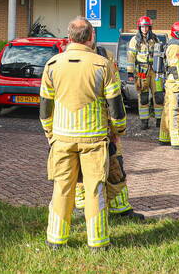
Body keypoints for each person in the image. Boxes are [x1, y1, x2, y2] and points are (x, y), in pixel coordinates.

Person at [40, 17, 127, 251]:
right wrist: (118, 131)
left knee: (62, 188)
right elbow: (116, 107)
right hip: (94, 139)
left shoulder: (52, 65)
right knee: (95, 189)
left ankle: (56, 239)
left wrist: (50, 132)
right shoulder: (102, 65)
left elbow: (45, 108)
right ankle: (97, 242)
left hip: (61, 138)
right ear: (91, 37)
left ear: (69, 38)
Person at [158, 21, 179, 150]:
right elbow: (175, 68)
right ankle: (177, 141)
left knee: (167, 110)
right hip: (175, 84)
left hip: (171, 84)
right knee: (176, 111)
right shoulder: (175, 47)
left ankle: (164, 137)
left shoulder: (176, 45)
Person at [126, 16, 163, 128]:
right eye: (142, 26)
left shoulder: (155, 39)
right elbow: (131, 57)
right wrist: (130, 73)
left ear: (149, 27)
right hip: (142, 72)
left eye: (146, 26)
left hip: (155, 71)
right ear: (139, 27)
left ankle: (159, 121)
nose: (145, 29)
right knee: (143, 97)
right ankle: (144, 122)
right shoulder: (135, 40)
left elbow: (161, 54)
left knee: (158, 96)